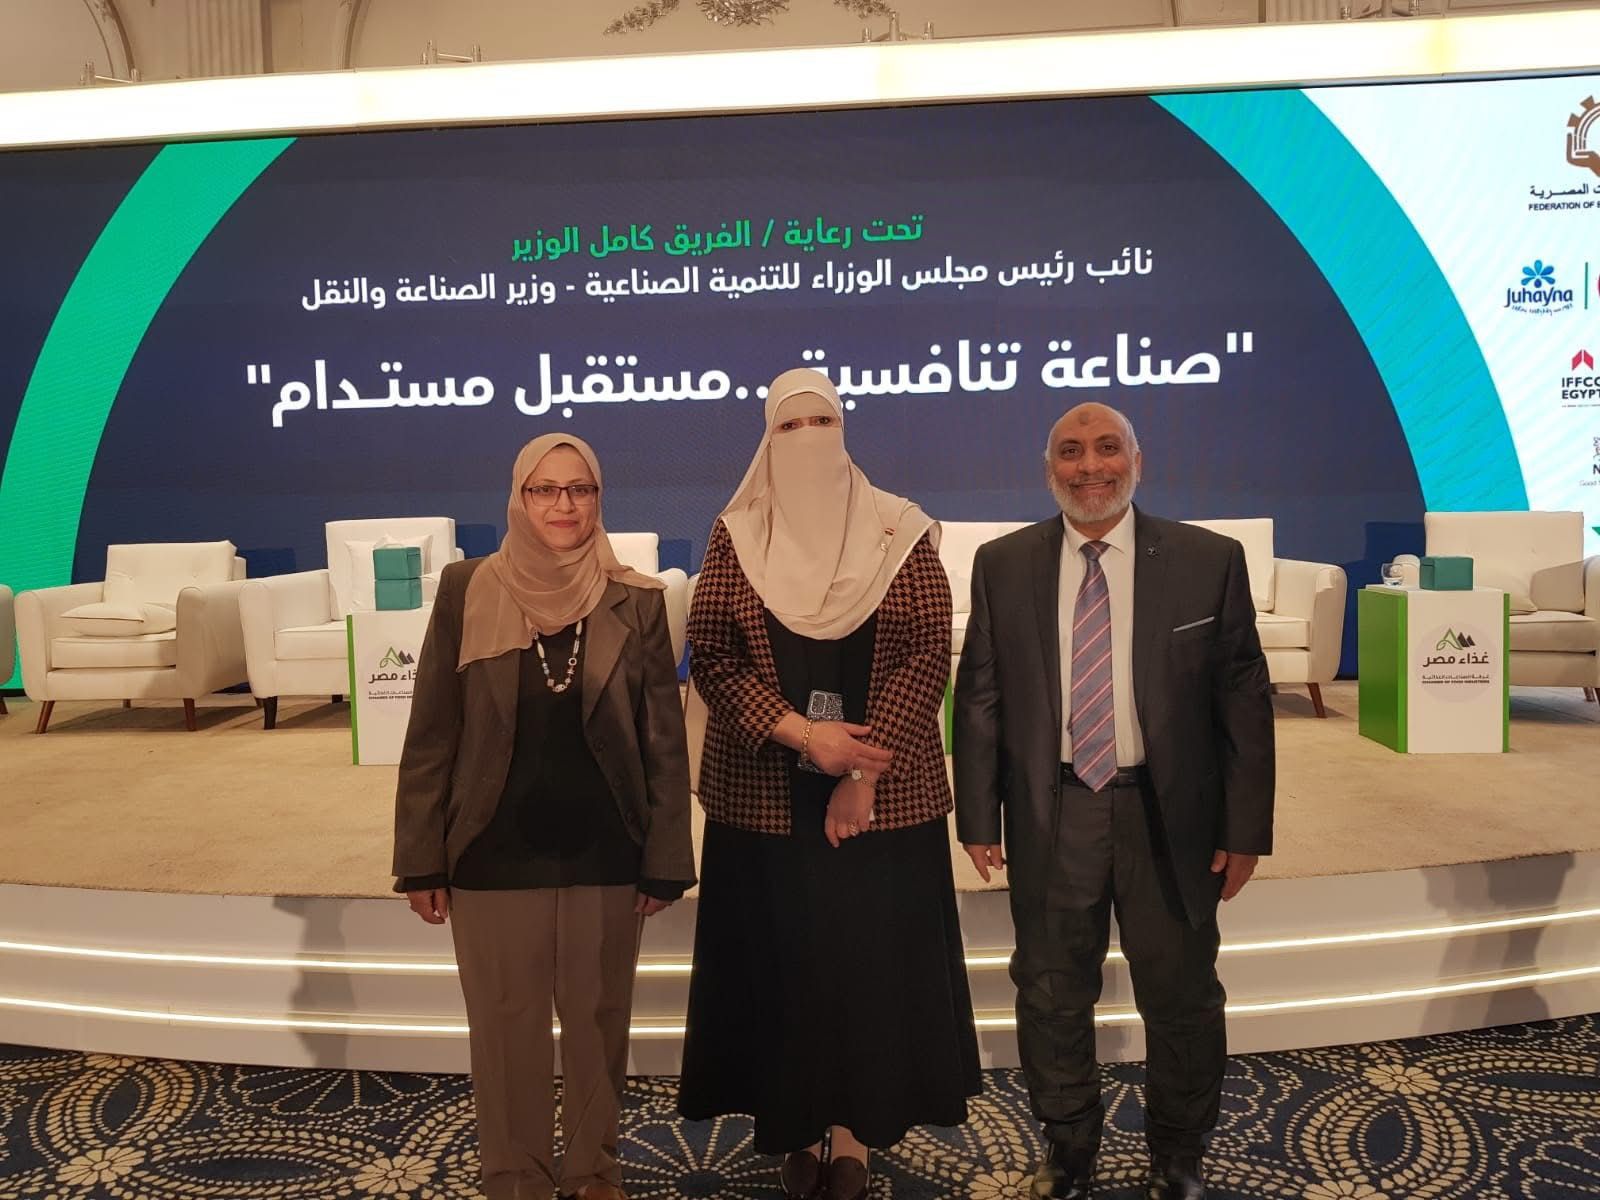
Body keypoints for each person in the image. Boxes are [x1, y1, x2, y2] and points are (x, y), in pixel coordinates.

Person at [953, 401, 1274, 1200]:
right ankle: (1069, 1148)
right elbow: (980, 699)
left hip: (1170, 816)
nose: (1089, 466)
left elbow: (1243, 704)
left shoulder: (1208, 560)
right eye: (1070, 452)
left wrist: (1245, 829)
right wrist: (978, 817)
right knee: (1051, 993)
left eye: (1106, 448)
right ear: (1048, 469)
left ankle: (1178, 1153)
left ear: (1138, 461)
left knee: (1183, 994)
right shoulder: (1002, 564)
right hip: (1054, 811)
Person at [677, 368, 981, 1200]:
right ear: (766, 438)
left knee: (867, 967)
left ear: (845, 429)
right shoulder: (738, 533)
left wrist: (863, 771)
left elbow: (927, 651)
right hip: (766, 792)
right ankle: (794, 1122)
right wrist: (805, 734)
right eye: (790, 426)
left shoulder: (897, 529)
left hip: (881, 800)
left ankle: (854, 1134)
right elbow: (714, 654)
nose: (808, 439)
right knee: (784, 967)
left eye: (823, 422)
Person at [392, 433, 696, 1200]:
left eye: (580, 489)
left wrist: (667, 857)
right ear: (519, 499)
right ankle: (514, 1179)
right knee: (505, 1034)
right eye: (545, 489)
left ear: (599, 499)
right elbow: (432, 733)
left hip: (605, 852)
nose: (564, 505)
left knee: (599, 1029)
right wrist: (420, 855)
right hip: (491, 853)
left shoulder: (636, 600)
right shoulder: (466, 588)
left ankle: (595, 1174)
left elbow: (663, 741)